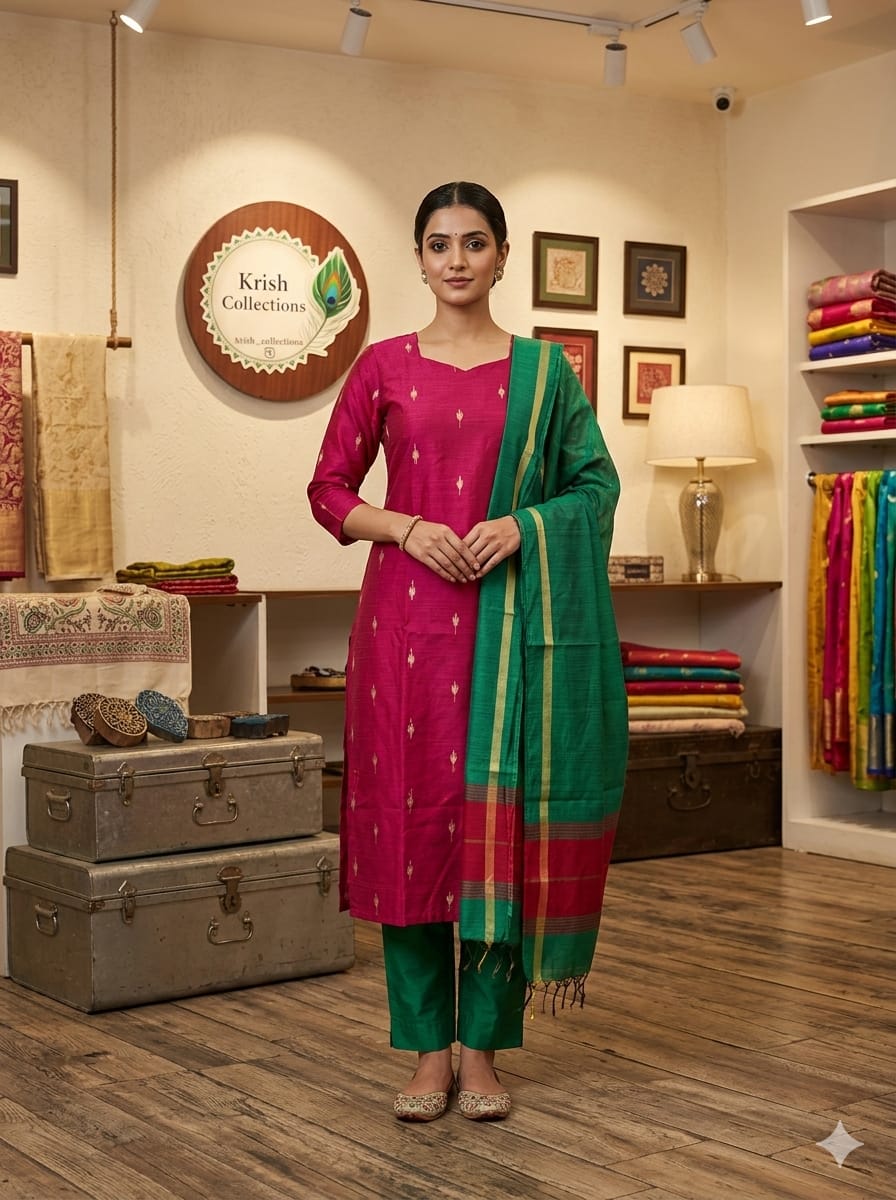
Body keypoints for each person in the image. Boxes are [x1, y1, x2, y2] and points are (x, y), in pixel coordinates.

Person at [307, 181, 627, 1123]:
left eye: (475, 242)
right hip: (404, 637)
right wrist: (404, 527)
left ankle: (481, 1053)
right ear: (419, 258)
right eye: (440, 243)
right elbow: (329, 491)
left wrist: (525, 526)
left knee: (495, 833)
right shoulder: (382, 366)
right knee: (412, 837)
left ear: (501, 256)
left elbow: (596, 486)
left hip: (511, 632)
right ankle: (425, 1053)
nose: (457, 259)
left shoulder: (544, 373)